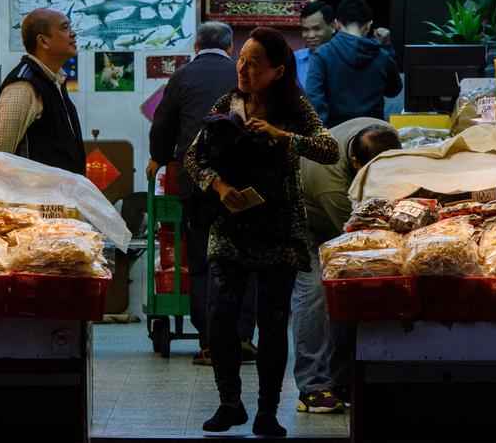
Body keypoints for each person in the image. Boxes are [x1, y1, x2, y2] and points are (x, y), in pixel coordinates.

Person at [186, 27, 339, 437]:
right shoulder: (228, 103)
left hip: (280, 227)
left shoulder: (294, 108)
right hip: (230, 225)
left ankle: (267, 412)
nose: (243, 69)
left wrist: (283, 136)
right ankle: (229, 403)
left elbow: (329, 148)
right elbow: (193, 158)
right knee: (221, 317)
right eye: (241, 60)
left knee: (273, 323)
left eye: (254, 64)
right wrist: (219, 187)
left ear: (277, 71)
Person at [147, 22, 258, 366]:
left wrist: (159, 158)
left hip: (197, 182)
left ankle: (211, 343)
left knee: (202, 262)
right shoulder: (244, 72)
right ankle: (241, 337)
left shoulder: (182, 77)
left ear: (195, 46)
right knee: (244, 259)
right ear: (230, 49)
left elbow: (163, 125)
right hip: (244, 181)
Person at [293, 119, 402, 414]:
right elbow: (353, 239)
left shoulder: (384, 134)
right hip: (309, 221)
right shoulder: (331, 183)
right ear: (355, 163)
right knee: (318, 290)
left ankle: (342, 380)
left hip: (345, 217)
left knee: (346, 288)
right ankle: (312, 386)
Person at [0, 8, 84, 174]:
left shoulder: (54, 80)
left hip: (59, 196)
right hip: (33, 197)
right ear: (43, 41)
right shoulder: (23, 87)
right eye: (65, 28)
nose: (73, 34)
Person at [305, 0, 403, 128]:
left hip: (337, 134)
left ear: (337, 24)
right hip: (374, 135)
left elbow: (314, 98)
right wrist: (387, 47)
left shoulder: (322, 55)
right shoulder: (382, 56)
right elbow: (393, 90)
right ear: (368, 25)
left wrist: (323, 134)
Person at [294, 2, 336, 88]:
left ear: (333, 27)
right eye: (305, 30)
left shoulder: (347, 59)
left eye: (316, 28)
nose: (310, 36)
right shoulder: (295, 60)